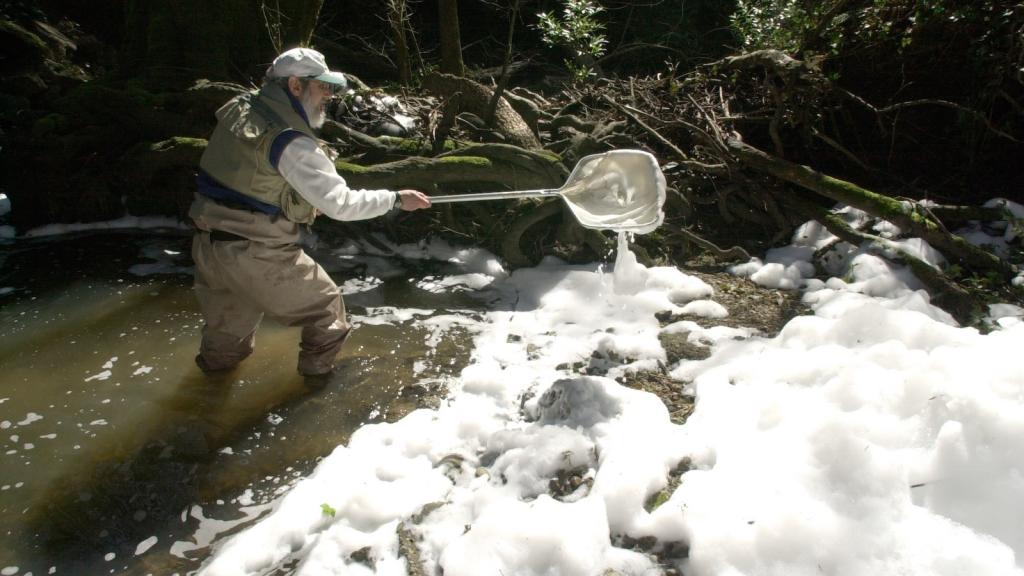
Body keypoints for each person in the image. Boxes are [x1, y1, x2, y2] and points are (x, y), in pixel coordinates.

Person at [189, 47, 431, 378]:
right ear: (294, 86)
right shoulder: (291, 142)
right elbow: (341, 204)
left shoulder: (242, 109)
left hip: (209, 248)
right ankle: (314, 395)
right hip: (255, 251)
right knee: (326, 312)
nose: (329, 96)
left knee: (226, 342)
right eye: (323, 87)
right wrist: (395, 199)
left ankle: (201, 401)